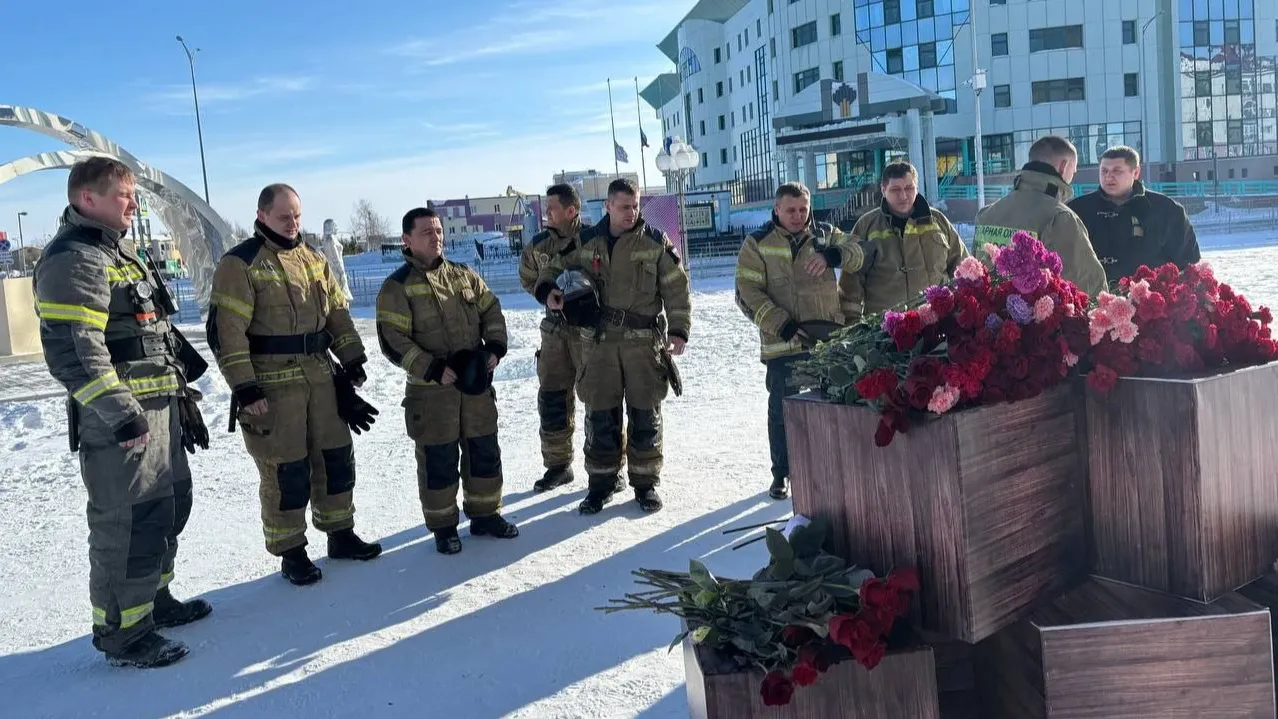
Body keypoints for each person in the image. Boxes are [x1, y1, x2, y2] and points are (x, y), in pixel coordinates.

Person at [34, 157, 211, 668]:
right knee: (125, 525)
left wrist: (180, 398)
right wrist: (120, 413)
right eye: (123, 195)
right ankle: (122, 635)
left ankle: (153, 605)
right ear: (87, 199)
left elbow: (152, 336)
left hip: (160, 413)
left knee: (167, 509)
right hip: (122, 425)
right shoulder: (73, 258)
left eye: (133, 195)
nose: (134, 204)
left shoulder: (122, 254)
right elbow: (74, 349)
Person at [208, 183, 382, 586]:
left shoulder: (313, 258)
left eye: (297, 216)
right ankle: (292, 552)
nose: (292, 224)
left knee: (336, 459)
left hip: (321, 380)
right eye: (284, 217)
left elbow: (336, 312)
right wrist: (244, 388)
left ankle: (340, 534)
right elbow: (227, 332)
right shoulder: (241, 263)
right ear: (262, 215)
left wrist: (352, 356)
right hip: (272, 388)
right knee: (285, 472)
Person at [533, 178, 691, 515]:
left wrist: (678, 330)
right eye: (623, 206)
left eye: (635, 206)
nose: (631, 212)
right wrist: (549, 293)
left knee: (645, 415)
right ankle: (601, 484)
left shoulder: (653, 242)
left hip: (643, 344)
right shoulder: (586, 242)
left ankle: (645, 485)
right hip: (600, 343)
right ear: (608, 206)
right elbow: (551, 268)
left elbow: (676, 287)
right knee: (601, 415)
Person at [376, 208, 518, 555]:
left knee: (484, 452)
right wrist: (432, 368)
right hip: (432, 395)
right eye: (426, 231)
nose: (436, 236)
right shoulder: (397, 287)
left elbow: (491, 311)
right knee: (438, 462)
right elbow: (393, 340)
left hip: (475, 389)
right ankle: (443, 526)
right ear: (407, 240)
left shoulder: (464, 275)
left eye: (438, 230)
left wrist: (495, 348)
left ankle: (486, 514)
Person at [735, 182, 877, 500]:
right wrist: (780, 324)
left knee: (828, 408)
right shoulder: (757, 243)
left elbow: (863, 253)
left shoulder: (824, 233)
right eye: (790, 210)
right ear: (776, 210)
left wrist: (833, 255)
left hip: (825, 340)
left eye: (803, 209)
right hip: (782, 342)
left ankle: (824, 469)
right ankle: (782, 474)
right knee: (782, 411)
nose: (798, 216)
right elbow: (747, 291)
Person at [974, 135, 1108, 297]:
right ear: (1063, 167)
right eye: (1073, 170)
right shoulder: (1059, 217)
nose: (1073, 176)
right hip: (1037, 319)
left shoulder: (986, 215)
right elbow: (1085, 286)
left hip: (989, 318)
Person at [840, 161, 968, 322]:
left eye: (909, 188)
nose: (903, 196)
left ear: (917, 187)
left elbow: (963, 267)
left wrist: (964, 311)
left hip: (937, 327)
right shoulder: (866, 226)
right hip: (884, 332)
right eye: (895, 190)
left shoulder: (938, 222)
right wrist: (853, 326)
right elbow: (850, 283)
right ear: (883, 190)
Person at [518, 184, 584, 493]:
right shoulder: (538, 246)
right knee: (554, 400)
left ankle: (610, 466)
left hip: (591, 332)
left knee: (603, 400)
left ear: (570, 211)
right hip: (555, 332)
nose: (546, 214)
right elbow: (527, 276)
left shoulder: (594, 238)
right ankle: (558, 466)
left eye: (552, 209)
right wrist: (544, 293)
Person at [1067, 145, 1201, 284]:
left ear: (1135, 172)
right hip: (1092, 299)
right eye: (1104, 171)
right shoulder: (1077, 209)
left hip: (1150, 300)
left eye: (1117, 171)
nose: (1108, 177)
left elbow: (1188, 264)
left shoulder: (1167, 210)